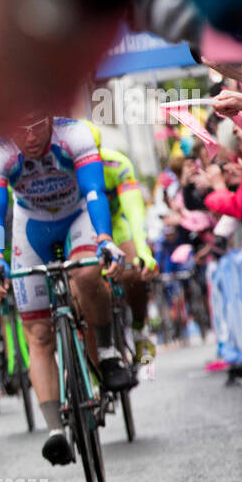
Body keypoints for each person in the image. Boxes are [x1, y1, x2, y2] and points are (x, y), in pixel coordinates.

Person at [0, 114, 130, 467]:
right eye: (21, 127)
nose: (30, 136)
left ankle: (106, 351)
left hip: (76, 216)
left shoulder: (73, 133)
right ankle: (54, 431)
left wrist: (105, 239)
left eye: (37, 126)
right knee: (39, 334)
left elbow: (94, 191)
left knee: (90, 275)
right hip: (31, 227)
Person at [86, 122, 159, 364]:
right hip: (83, 231)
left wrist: (143, 251)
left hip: (116, 226)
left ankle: (139, 330)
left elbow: (135, 212)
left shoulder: (117, 164)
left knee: (134, 273)